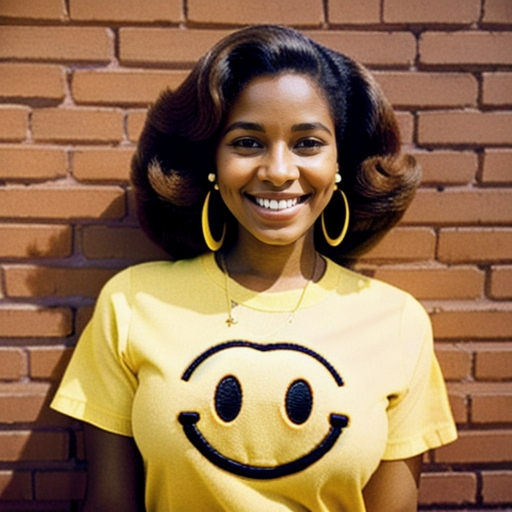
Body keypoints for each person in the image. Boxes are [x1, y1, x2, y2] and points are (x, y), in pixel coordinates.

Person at [51, 24, 457, 512]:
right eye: (247, 143)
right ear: (212, 162)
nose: (279, 171)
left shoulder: (397, 322)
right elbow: (110, 503)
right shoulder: (132, 303)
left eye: (308, 143)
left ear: (340, 164)